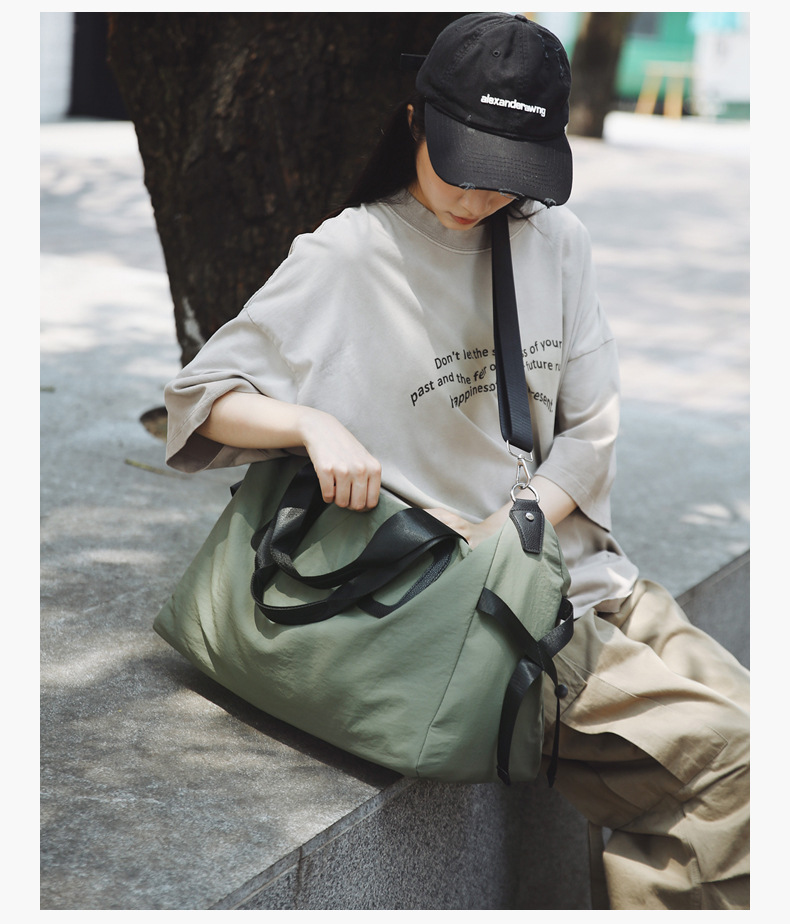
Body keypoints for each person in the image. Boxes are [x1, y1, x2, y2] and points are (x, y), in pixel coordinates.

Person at [163, 13, 749, 911]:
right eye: (463, 165)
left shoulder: (557, 242)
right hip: (486, 619)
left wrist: (516, 524)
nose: (478, 198)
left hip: (584, 575)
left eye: (506, 175)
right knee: (741, 774)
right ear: (414, 119)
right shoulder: (350, 253)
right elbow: (199, 399)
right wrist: (310, 425)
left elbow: (593, 432)